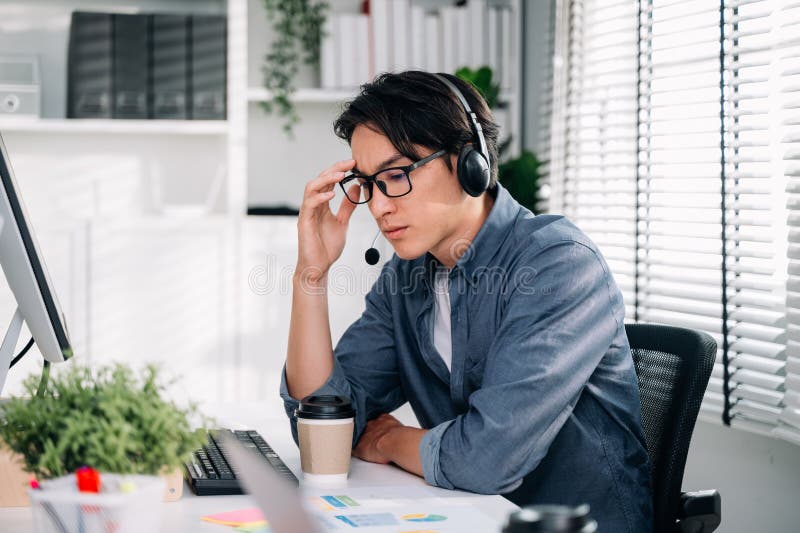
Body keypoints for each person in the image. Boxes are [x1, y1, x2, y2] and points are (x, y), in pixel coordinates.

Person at [279, 71, 653, 531]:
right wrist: (310, 275)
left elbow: (486, 460)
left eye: (396, 175)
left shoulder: (558, 265)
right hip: (468, 517)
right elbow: (324, 428)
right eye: (368, 183)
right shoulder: (406, 277)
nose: (378, 206)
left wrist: (392, 440)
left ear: (467, 162)